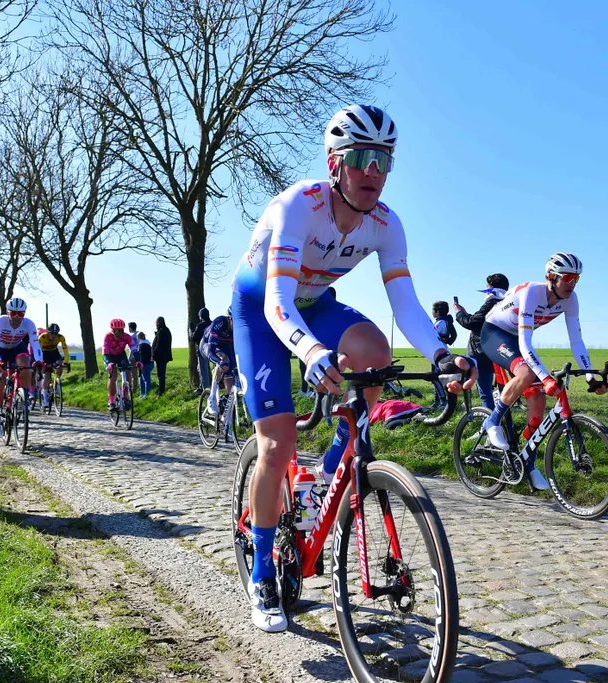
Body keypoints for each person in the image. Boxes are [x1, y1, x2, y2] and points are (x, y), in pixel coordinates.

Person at [231, 104, 475, 633]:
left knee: (375, 352)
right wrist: (310, 352)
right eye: (361, 158)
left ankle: (328, 473)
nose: (374, 172)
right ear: (334, 162)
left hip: (315, 301)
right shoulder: (301, 205)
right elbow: (277, 299)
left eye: (385, 161)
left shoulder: (386, 224)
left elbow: (406, 305)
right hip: (261, 308)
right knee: (276, 445)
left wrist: (439, 355)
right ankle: (262, 572)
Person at [480, 253, 608, 492]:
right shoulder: (532, 294)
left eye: (576, 279)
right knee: (529, 374)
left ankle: (528, 462)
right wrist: (546, 377)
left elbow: (577, 342)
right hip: (495, 333)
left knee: (538, 399)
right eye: (567, 277)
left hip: (517, 339)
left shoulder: (571, 300)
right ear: (551, 277)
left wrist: (591, 378)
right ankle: (492, 420)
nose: (572, 283)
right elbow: (525, 344)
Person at [455, 273, 510, 409]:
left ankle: (490, 423)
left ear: (491, 288)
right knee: (503, 392)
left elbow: (472, 324)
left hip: (482, 352)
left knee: (485, 392)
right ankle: (504, 422)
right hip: (501, 351)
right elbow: (480, 321)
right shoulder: (508, 302)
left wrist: (459, 313)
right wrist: (467, 314)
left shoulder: (492, 302)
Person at [0, 297, 41, 438]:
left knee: (26, 365)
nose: (17, 317)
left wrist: (40, 361)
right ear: (8, 312)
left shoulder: (29, 324)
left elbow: (35, 344)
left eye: (21, 314)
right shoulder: (1, 321)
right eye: (13, 313)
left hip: (17, 348)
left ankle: (23, 395)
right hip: (0, 350)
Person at [199, 309, 234, 415]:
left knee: (230, 370)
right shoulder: (219, 323)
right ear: (229, 319)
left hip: (225, 346)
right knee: (224, 359)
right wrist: (219, 362)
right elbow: (211, 351)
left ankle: (228, 409)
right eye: (234, 321)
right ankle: (212, 397)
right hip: (208, 345)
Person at [36, 322, 69, 409]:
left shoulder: (61, 337)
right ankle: (45, 399)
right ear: (48, 332)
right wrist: (40, 362)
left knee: (60, 364)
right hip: (44, 354)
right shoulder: (42, 337)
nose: (54, 336)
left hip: (54, 352)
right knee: (46, 376)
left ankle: (57, 382)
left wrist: (66, 361)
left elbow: (65, 349)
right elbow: (38, 351)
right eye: (52, 334)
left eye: (55, 334)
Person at [102, 318, 134, 410]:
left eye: (122, 330)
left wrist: (139, 361)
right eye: (118, 331)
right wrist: (109, 363)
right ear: (113, 331)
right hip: (109, 356)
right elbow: (105, 352)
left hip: (120, 355)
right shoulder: (108, 337)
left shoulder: (127, 337)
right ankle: (111, 401)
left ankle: (125, 397)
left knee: (128, 373)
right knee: (113, 375)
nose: (121, 333)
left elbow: (134, 349)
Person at [191, 308, 212, 392]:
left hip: (202, 350)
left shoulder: (200, 325)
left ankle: (206, 390)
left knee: (203, 370)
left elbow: (194, 337)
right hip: (212, 349)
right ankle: (201, 386)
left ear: (200, 316)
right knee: (200, 368)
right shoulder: (212, 324)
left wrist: (192, 330)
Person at [153, 316, 173, 395]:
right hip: (163, 356)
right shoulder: (165, 330)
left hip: (161, 356)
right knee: (161, 374)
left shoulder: (162, 331)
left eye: (157, 322)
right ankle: (161, 389)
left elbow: (159, 344)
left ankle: (161, 391)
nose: (156, 324)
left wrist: (154, 353)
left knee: (161, 374)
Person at [136, 332, 154, 397]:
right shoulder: (148, 344)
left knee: (145, 380)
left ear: (138, 338)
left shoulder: (141, 345)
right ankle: (143, 394)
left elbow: (142, 356)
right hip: (150, 363)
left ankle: (146, 394)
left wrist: (140, 364)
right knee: (143, 379)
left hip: (145, 364)